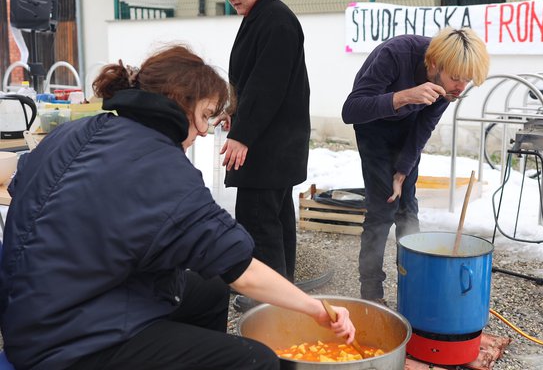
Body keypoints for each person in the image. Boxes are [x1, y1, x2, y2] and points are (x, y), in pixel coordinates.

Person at [0, 45, 354, 370]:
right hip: (69, 346)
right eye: (206, 115)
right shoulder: (164, 168)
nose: (203, 131)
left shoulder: (75, 131)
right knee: (255, 361)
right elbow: (241, 270)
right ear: (181, 103)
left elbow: (25, 193)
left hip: (30, 314)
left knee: (209, 288)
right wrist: (317, 310)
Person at [341, 28, 490, 303]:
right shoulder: (396, 54)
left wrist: (403, 170)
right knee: (382, 210)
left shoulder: (449, 87)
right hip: (372, 126)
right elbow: (351, 110)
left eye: (466, 80)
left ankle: (414, 287)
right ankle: (371, 295)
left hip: (407, 128)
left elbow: (425, 125)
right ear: (434, 64)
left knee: (408, 210)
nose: (459, 86)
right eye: (455, 78)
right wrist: (405, 96)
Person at [218, 0, 310, 290]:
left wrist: (242, 134)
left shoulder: (276, 20)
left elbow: (267, 86)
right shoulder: (263, 17)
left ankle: (271, 303)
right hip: (273, 142)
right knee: (276, 218)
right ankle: (284, 294)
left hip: (270, 144)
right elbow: (254, 80)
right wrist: (233, 113)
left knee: (259, 222)